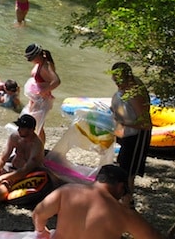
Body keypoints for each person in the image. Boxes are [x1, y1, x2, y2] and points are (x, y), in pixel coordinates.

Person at [31, 164, 162, 239]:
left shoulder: (67, 191)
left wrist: (42, 231)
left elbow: (39, 213)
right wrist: (129, 207)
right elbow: (152, 236)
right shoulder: (122, 213)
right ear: (120, 187)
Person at [0, 113, 45, 208]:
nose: (18, 129)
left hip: (26, 173)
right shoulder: (15, 137)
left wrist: (3, 177)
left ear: (31, 130)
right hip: (12, 165)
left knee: (4, 184)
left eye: (22, 128)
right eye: (19, 127)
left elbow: (25, 170)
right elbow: (3, 158)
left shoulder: (37, 146)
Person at [110, 62, 152, 204]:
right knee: (122, 166)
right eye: (114, 79)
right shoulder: (124, 89)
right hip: (126, 134)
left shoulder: (135, 93)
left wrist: (123, 123)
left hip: (137, 136)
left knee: (128, 172)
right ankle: (122, 201)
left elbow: (146, 124)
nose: (115, 82)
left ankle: (127, 204)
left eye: (118, 80)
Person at [23, 44, 60, 141]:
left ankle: (40, 148)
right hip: (36, 99)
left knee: (37, 125)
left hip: (42, 100)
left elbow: (56, 81)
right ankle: (34, 145)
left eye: (31, 59)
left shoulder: (46, 66)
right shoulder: (40, 62)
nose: (30, 61)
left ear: (37, 56)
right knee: (33, 123)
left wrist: (44, 91)